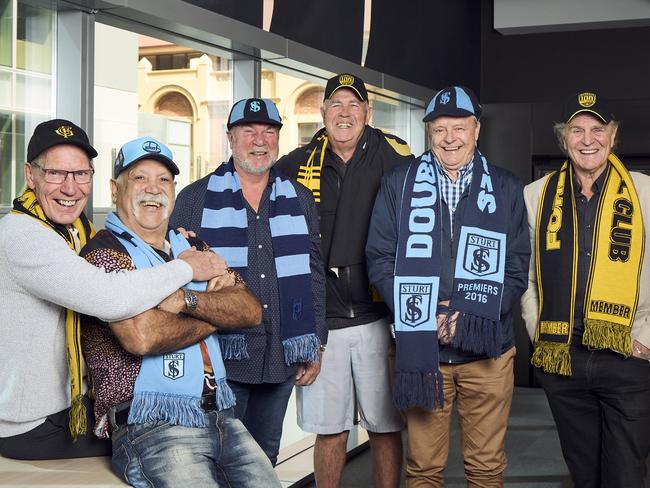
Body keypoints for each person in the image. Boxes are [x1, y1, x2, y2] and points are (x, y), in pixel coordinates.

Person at [0, 120, 222, 460]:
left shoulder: (75, 231)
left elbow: (116, 265)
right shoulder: (22, 235)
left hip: (67, 407)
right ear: (31, 175)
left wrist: (168, 241)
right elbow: (111, 296)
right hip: (34, 424)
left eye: (80, 174)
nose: (70, 188)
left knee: (192, 428)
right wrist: (189, 270)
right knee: (159, 436)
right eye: (56, 174)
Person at [80, 136, 279, 487]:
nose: (153, 190)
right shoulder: (105, 255)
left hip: (221, 415)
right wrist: (217, 315)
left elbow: (250, 310)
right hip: (151, 425)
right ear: (115, 189)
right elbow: (142, 336)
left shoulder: (193, 246)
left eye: (163, 180)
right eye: (139, 178)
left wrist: (186, 302)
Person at [366, 86, 530, 488]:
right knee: (423, 469)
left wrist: (467, 317)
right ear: (429, 133)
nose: (450, 138)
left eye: (459, 127)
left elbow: (516, 267)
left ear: (477, 129)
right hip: (424, 351)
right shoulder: (399, 183)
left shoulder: (506, 187)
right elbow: (380, 258)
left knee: (487, 467)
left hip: (487, 352)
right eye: (439, 129)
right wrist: (424, 314)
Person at [170, 97, 326, 466]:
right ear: (230, 137)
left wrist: (315, 342)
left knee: (264, 462)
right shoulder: (195, 198)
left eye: (269, 132)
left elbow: (315, 273)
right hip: (223, 359)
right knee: (219, 462)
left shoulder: (300, 198)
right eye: (249, 131)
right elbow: (175, 277)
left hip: (281, 355)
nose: (259, 140)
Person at [277, 73, 410, 488]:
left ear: (368, 113)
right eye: (336, 104)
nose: (345, 113)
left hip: (378, 317)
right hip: (324, 321)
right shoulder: (297, 164)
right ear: (323, 112)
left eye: (354, 105)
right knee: (329, 428)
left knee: (385, 427)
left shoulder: (396, 159)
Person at [521, 91, 650, 488]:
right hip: (564, 359)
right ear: (564, 140)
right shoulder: (537, 195)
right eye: (577, 130)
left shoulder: (645, 192)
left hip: (629, 355)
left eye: (598, 129)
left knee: (625, 475)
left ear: (613, 136)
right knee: (584, 473)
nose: (587, 139)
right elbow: (527, 279)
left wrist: (647, 339)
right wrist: (539, 333)